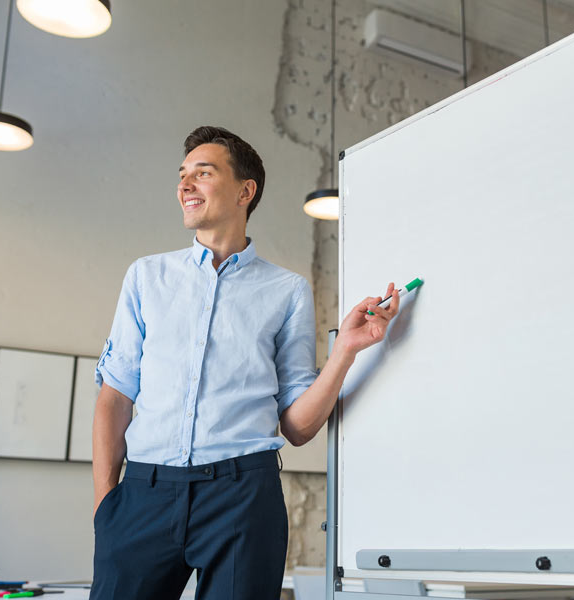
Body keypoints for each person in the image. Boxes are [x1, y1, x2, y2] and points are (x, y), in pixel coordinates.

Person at [90, 125, 399, 600]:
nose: (185, 185)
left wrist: (344, 353)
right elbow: (115, 396)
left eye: (203, 172)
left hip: (242, 498)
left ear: (245, 191)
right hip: (143, 496)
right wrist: (106, 505)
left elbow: (297, 426)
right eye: (182, 175)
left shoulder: (287, 291)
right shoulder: (146, 277)